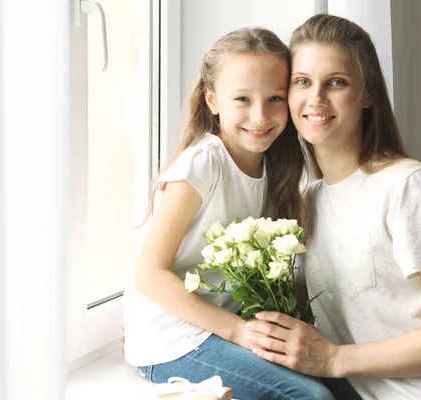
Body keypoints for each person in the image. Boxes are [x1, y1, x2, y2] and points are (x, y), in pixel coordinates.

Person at [245, 14, 421, 400]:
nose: (316, 99)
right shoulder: (307, 202)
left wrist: (335, 359)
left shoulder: (405, 185)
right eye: (302, 82)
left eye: (337, 82)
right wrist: (168, 335)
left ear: (367, 95)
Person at [122, 27, 335, 400]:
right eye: (242, 99)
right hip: (172, 341)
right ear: (212, 100)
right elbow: (149, 273)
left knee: (346, 383)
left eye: (274, 98)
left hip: (218, 330)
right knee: (313, 397)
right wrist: (238, 332)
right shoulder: (202, 165)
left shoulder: (277, 169)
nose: (260, 115)